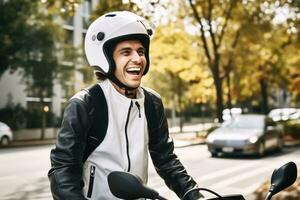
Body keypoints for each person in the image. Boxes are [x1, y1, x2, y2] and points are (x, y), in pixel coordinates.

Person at [48, 11, 202, 200]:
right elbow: (63, 171)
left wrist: (195, 196)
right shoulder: (85, 104)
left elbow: (166, 159)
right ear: (106, 59)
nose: (137, 58)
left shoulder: (152, 103)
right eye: (126, 52)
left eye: (141, 51)